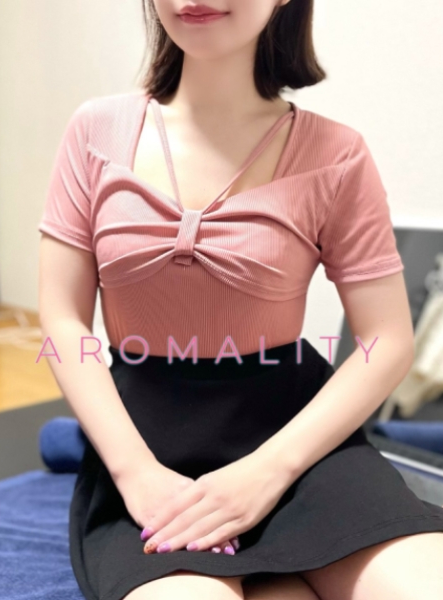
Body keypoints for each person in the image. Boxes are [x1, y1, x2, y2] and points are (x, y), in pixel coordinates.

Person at [37, 1, 443, 599]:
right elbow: (63, 317)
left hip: (298, 444)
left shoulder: (337, 153)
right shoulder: (95, 131)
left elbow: (387, 340)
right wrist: (135, 472)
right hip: (147, 447)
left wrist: (268, 472)